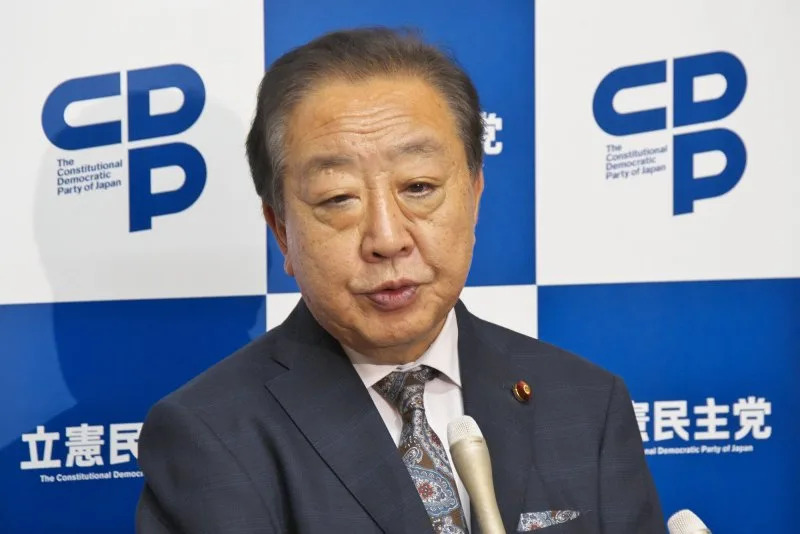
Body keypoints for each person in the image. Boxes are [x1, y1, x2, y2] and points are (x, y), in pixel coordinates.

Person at [136, 27, 665, 533]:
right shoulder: (210, 435)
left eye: (418, 186)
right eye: (339, 198)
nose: (387, 238)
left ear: (475, 195)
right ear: (281, 231)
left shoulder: (586, 403)